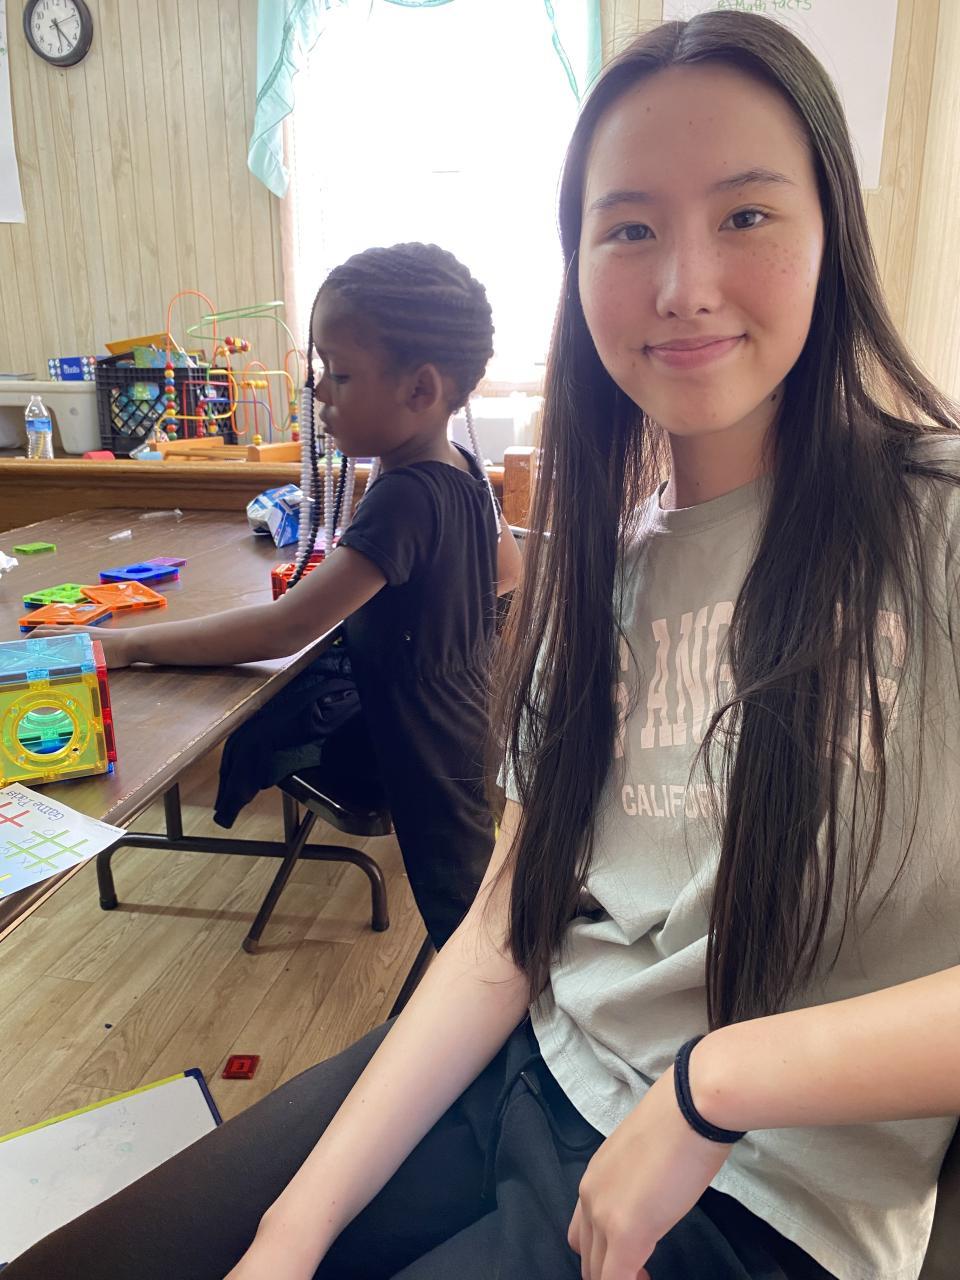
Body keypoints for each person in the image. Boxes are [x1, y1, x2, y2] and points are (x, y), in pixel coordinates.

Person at [9, 12, 960, 1280]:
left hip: (759, 1189)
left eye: (746, 214)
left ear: (832, 232)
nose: (683, 284)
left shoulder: (935, 525)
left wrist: (716, 1083)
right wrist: (288, 1233)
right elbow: (505, 932)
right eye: (629, 228)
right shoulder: (599, 572)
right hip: (535, 1063)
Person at [49, 242, 522, 950]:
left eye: (340, 373)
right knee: (480, 899)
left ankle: (518, 1010)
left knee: (468, 929)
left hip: (422, 740)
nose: (319, 393)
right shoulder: (462, 466)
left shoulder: (404, 496)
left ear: (421, 391)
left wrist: (128, 644)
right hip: (467, 712)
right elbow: (507, 570)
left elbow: (283, 630)